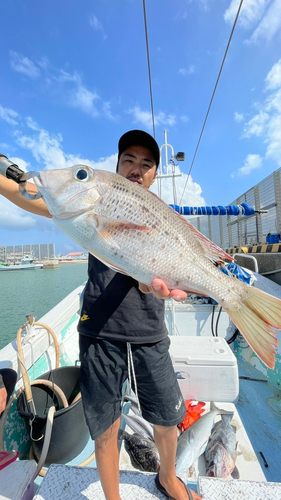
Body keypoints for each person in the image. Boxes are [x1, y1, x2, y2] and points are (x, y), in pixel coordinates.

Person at [0, 130, 201, 500]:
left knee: (168, 417)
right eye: (129, 160)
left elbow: (152, 277)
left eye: (146, 164)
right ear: (117, 165)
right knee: (105, 426)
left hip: (150, 332)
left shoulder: (161, 218)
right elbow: (22, 193)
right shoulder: (87, 203)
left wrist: (149, 284)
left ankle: (168, 476)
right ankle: (113, 497)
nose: (137, 169)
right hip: (99, 332)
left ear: (154, 174)